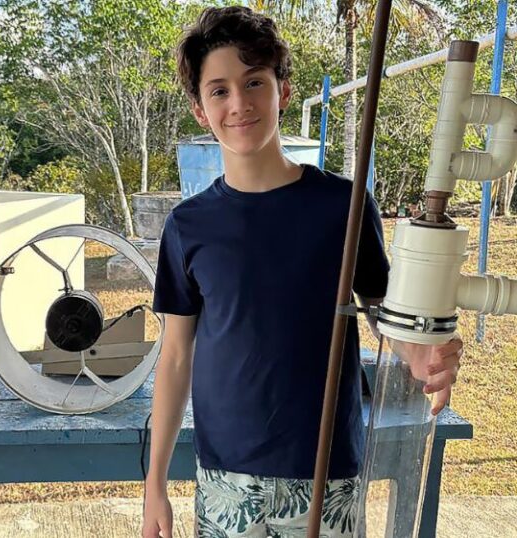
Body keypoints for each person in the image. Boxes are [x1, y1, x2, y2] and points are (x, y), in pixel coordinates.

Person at [141, 6, 463, 538]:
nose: (239, 103)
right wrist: (155, 481)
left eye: (254, 82)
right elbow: (176, 355)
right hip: (225, 477)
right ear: (200, 109)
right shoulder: (187, 226)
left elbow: (385, 314)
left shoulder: (345, 206)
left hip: (325, 472)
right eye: (219, 90)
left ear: (283, 91)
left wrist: (420, 352)